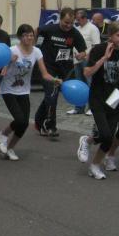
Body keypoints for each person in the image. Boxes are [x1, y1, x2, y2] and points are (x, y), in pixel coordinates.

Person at [77, 22, 119, 179]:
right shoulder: (99, 49)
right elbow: (87, 72)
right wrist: (104, 58)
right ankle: (87, 142)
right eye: (118, 35)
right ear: (110, 36)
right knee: (105, 135)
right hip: (98, 96)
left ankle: (94, 164)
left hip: (116, 97)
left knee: (108, 137)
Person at [0, 24, 59, 161]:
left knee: (24, 123)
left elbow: (44, 74)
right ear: (20, 37)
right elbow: (2, 71)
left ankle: (10, 148)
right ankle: (3, 134)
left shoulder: (37, 52)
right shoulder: (12, 50)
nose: (29, 38)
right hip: (8, 90)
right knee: (19, 119)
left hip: (24, 91)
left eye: (31, 35)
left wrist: (55, 80)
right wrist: (8, 62)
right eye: (25, 35)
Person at [35, 7, 87, 138]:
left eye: (71, 23)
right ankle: (50, 126)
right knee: (52, 96)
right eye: (66, 22)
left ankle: (38, 120)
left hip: (64, 69)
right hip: (47, 67)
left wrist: (81, 55)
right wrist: (36, 48)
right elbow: (37, 32)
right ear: (60, 19)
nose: (68, 26)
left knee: (51, 96)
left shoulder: (74, 33)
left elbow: (83, 50)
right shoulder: (48, 29)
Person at [67, 8, 100, 115]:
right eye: (76, 19)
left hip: (88, 61)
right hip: (76, 60)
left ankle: (92, 107)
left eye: (78, 19)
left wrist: (85, 54)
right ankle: (79, 107)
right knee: (79, 84)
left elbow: (96, 45)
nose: (77, 21)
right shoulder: (76, 29)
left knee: (90, 84)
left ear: (85, 18)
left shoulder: (93, 28)